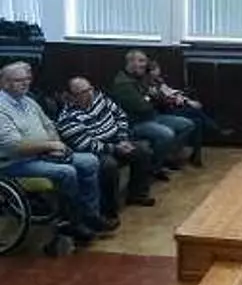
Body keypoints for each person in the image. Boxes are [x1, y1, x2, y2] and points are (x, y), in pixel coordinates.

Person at [0, 62, 116, 245]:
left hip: (42, 154)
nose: (25, 83)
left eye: (27, 79)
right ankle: (72, 222)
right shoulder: (2, 108)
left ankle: (90, 215)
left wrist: (56, 145)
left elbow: (49, 125)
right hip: (15, 163)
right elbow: (14, 146)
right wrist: (49, 146)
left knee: (90, 161)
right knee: (66, 172)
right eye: (18, 80)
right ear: (5, 83)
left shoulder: (28, 101)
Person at [57, 77, 156, 221]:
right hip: (94, 151)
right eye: (83, 92)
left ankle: (137, 195)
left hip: (117, 140)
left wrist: (122, 139)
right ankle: (108, 211)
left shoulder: (100, 98)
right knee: (108, 166)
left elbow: (120, 115)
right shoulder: (67, 118)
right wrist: (115, 148)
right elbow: (85, 145)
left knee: (143, 150)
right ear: (71, 96)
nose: (90, 94)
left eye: (90, 89)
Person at [111, 50, 195, 179]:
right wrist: (152, 98)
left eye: (145, 61)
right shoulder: (123, 84)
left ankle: (165, 158)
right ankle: (153, 168)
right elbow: (142, 107)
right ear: (131, 62)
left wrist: (152, 98)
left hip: (152, 117)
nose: (145, 65)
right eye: (141, 61)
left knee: (187, 125)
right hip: (135, 123)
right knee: (167, 134)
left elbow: (159, 97)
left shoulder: (142, 78)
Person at [144, 60, 231, 167]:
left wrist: (184, 99)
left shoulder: (159, 81)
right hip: (164, 111)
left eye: (157, 68)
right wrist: (179, 100)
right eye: (153, 69)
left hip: (172, 107)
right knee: (195, 112)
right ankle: (216, 129)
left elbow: (171, 92)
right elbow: (161, 100)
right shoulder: (146, 85)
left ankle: (196, 156)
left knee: (198, 121)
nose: (157, 71)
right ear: (148, 72)